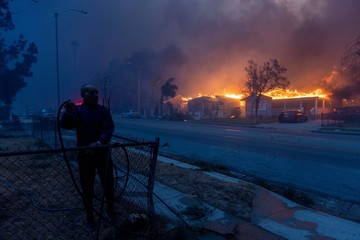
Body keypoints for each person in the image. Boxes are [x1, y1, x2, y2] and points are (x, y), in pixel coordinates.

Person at [60, 84, 116, 226]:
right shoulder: (77, 111)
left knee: (108, 183)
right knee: (87, 186)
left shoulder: (103, 111)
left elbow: (109, 127)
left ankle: (111, 210)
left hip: (102, 152)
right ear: (83, 95)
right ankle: (90, 217)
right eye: (91, 93)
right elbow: (65, 125)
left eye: (96, 92)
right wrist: (67, 112)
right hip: (85, 154)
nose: (95, 95)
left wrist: (99, 142)